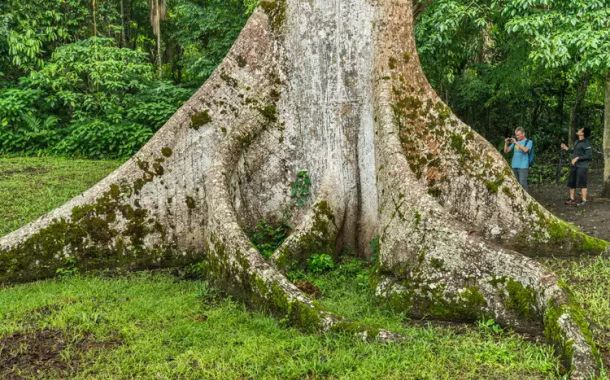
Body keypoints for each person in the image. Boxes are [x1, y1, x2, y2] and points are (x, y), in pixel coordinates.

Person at [561, 127, 593, 206]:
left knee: (582, 183)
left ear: (583, 133)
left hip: (582, 166)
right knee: (572, 182)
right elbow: (574, 151)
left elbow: (589, 156)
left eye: (580, 130)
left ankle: (584, 200)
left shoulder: (586, 143)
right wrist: (566, 148)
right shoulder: (577, 142)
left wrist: (578, 158)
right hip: (574, 165)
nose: (578, 130)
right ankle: (572, 199)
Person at [503, 127, 533, 191]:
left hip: (523, 166)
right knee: (515, 184)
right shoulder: (515, 142)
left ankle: (526, 199)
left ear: (523, 134)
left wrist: (516, 142)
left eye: (518, 135)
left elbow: (525, 150)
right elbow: (506, 151)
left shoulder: (529, 142)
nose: (517, 136)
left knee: (522, 184)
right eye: (516, 135)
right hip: (514, 165)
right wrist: (506, 143)